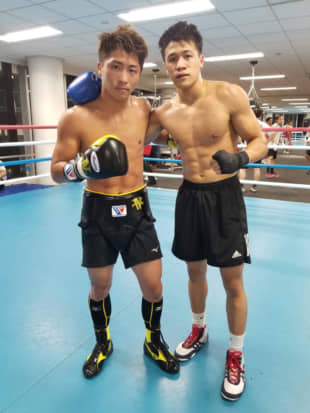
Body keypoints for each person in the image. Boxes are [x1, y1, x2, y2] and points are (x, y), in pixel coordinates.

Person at [147, 21, 267, 401]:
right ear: (166, 66)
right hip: (189, 197)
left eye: (186, 56)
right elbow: (129, 131)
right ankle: (199, 329)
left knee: (233, 282)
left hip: (225, 198)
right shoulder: (164, 112)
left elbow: (260, 140)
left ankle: (235, 353)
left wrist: (242, 156)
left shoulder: (229, 95)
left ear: (200, 58)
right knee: (194, 271)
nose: (179, 63)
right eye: (171, 58)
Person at [51, 24, 179, 379]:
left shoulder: (142, 108)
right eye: (116, 66)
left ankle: (153, 341)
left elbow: (174, 126)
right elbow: (55, 171)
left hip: (137, 207)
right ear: (99, 67)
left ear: (140, 71)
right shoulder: (75, 118)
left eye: (132, 69)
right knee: (100, 285)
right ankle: (102, 341)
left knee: (154, 286)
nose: (124, 77)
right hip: (97, 208)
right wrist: (80, 167)